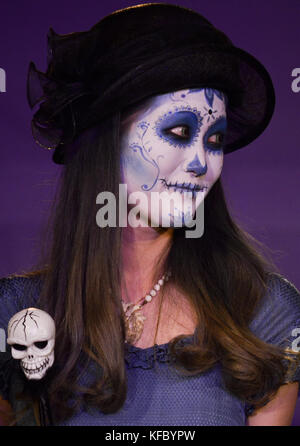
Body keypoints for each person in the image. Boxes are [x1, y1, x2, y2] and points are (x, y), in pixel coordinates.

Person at [1, 3, 300, 426]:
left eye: (214, 140)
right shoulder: (17, 315)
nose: (202, 162)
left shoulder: (263, 313)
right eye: (177, 132)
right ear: (108, 140)